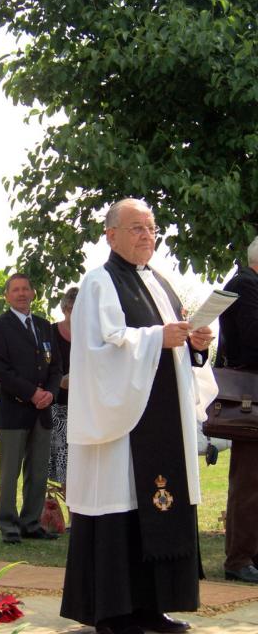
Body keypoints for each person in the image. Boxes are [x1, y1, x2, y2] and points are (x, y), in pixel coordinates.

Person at [60, 198, 217, 634]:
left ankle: (153, 605)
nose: (147, 236)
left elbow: (173, 344)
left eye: (151, 229)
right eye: (136, 228)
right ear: (110, 235)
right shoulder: (99, 283)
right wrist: (156, 338)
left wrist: (194, 342)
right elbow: (99, 349)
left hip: (161, 420)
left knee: (158, 508)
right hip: (123, 430)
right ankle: (114, 612)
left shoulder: (161, 283)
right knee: (122, 508)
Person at [0, 273, 62, 543]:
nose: (21, 293)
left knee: (38, 472)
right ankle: (9, 526)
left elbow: (56, 368)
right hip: (13, 411)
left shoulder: (44, 327)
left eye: (25, 289)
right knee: (10, 474)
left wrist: (50, 394)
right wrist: (31, 393)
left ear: (33, 293)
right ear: (6, 296)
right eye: (15, 290)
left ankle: (31, 523)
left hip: (42, 412)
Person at [215, 237, 258, 584]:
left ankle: (250, 555)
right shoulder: (245, 284)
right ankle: (239, 558)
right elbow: (252, 339)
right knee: (249, 482)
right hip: (250, 398)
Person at [48, 287, 78, 498]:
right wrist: (59, 382)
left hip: (86, 408)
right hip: (59, 407)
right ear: (66, 308)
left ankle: (80, 515)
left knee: (82, 463)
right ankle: (66, 515)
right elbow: (40, 368)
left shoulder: (93, 335)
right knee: (64, 464)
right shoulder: (49, 333)